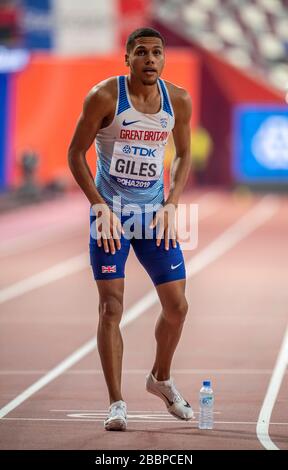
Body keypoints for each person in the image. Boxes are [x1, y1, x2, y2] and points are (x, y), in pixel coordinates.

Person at [68, 27, 193, 431]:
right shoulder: (105, 96)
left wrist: (172, 204)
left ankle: (160, 378)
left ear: (164, 58)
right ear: (128, 59)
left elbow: (184, 154)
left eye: (157, 52)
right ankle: (117, 403)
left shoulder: (178, 100)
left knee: (177, 308)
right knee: (112, 307)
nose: (151, 59)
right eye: (142, 52)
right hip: (111, 215)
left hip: (153, 214)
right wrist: (98, 206)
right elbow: (75, 154)